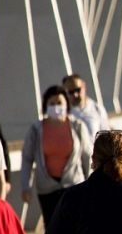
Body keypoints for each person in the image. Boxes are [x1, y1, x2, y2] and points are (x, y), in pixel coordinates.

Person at [21, 84, 93, 226]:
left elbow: (87, 156)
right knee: (53, 229)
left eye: (59, 103)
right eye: (51, 103)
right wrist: (25, 187)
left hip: (74, 185)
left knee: (76, 227)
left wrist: (90, 183)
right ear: (45, 105)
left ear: (66, 104)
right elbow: (27, 158)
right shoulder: (36, 129)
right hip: (47, 188)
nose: (56, 106)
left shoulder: (77, 126)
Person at [63, 74, 110, 144]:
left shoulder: (97, 109)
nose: (75, 95)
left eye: (77, 90)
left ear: (84, 86)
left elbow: (106, 137)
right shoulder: (63, 114)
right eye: (71, 92)